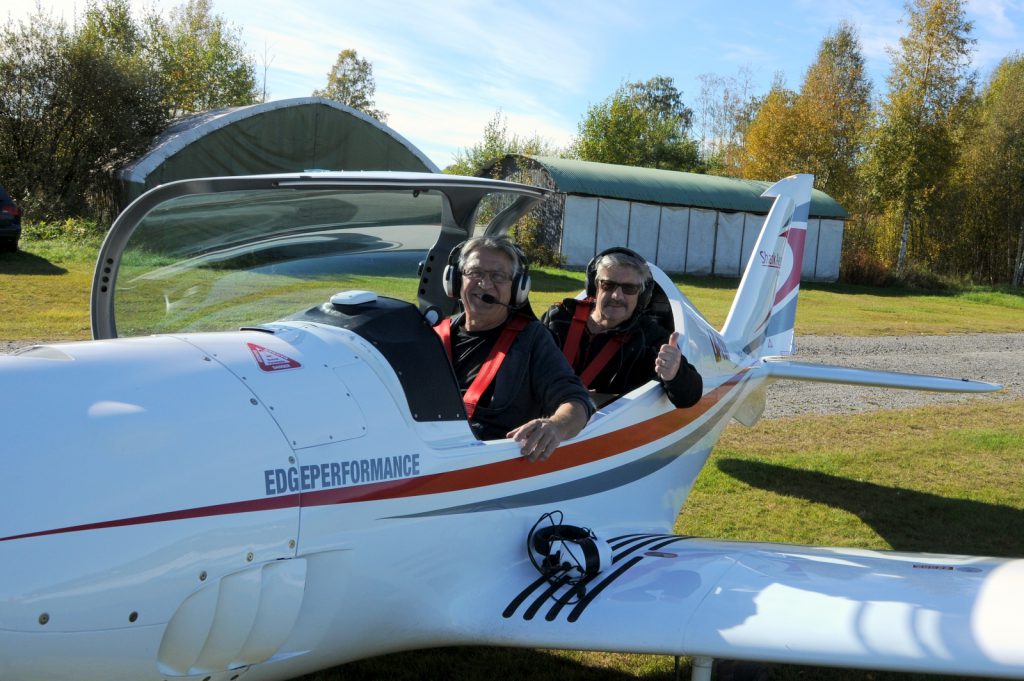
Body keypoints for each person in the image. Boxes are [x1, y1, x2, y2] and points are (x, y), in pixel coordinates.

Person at [434, 236, 593, 461]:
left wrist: (555, 426)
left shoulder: (531, 339)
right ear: (456, 280)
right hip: (430, 460)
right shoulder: (433, 335)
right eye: (475, 272)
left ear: (517, 288)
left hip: (494, 466)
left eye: (498, 276)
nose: (485, 284)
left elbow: (577, 402)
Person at [540, 247, 702, 408]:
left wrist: (674, 373)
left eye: (629, 288)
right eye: (608, 285)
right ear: (594, 286)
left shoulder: (650, 338)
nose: (617, 296)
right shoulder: (558, 318)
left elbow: (689, 397)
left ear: (642, 295)